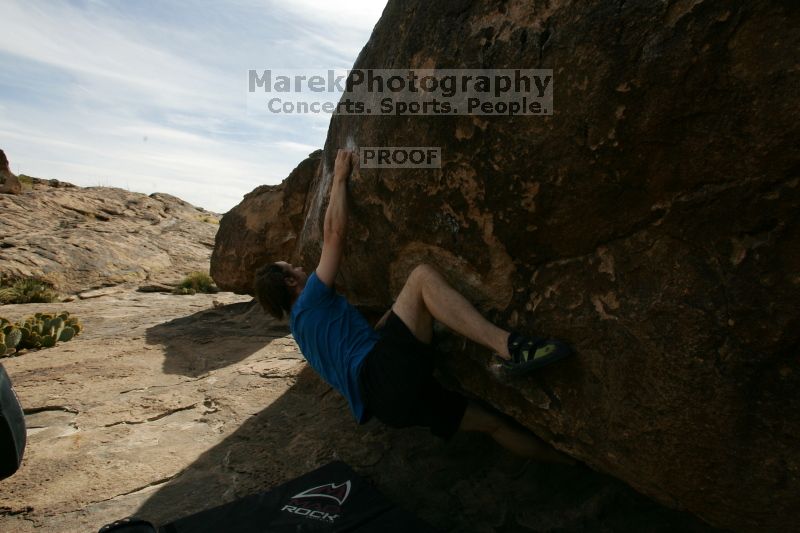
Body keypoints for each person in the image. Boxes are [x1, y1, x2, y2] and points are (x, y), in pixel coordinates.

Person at [254, 149, 574, 463]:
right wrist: (339, 179)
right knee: (421, 278)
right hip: (384, 374)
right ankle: (509, 348)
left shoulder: (301, 330)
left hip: (388, 406)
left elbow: (356, 344)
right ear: (289, 283)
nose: (299, 267)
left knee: (493, 424)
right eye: (292, 268)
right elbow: (334, 234)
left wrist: (393, 316)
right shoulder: (311, 297)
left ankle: (568, 464)